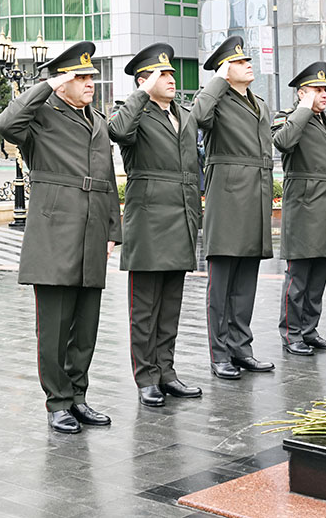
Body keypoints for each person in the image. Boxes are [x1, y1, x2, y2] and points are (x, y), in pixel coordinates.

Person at [0, 41, 121, 434]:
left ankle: (78, 397)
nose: (89, 83)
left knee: (86, 327)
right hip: (54, 233)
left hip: (92, 233)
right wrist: (45, 86)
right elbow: (5, 126)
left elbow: (105, 178)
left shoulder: (97, 121)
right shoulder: (40, 118)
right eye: (80, 77)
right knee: (54, 328)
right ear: (61, 82)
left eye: (90, 77)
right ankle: (57, 403)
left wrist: (113, 230)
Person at [108, 43, 203, 408]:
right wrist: (141, 94)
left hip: (180, 216)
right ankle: (145, 376)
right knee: (144, 307)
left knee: (170, 305)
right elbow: (117, 131)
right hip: (148, 219)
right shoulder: (133, 113)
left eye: (172, 73)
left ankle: (167, 371)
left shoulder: (183, 113)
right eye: (162, 74)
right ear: (143, 80)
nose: (172, 79)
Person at [192, 35, 275, 380]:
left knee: (246, 282)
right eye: (239, 62)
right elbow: (197, 117)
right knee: (222, 282)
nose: (248, 64)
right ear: (225, 69)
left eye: (247, 60)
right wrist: (216, 80)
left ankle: (242, 348)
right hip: (228, 197)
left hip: (254, 197)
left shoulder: (259, 103)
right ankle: (220, 353)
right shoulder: (215, 99)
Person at [272, 62, 326, 355]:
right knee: (299, 275)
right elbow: (284, 142)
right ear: (302, 93)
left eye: (325, 89)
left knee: (318, 275)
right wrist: (303, 108)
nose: (324, 93)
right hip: (304, 206)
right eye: (317, 89)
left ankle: (309, 329)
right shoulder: (289, 118)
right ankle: (291, 333)